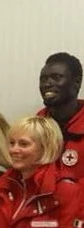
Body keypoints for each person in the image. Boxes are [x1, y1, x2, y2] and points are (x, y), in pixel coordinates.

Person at [37, 52, 84, 183]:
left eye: (56, 77)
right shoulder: (34, 128)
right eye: (43, 79)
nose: (47, 84)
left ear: (77, 82)